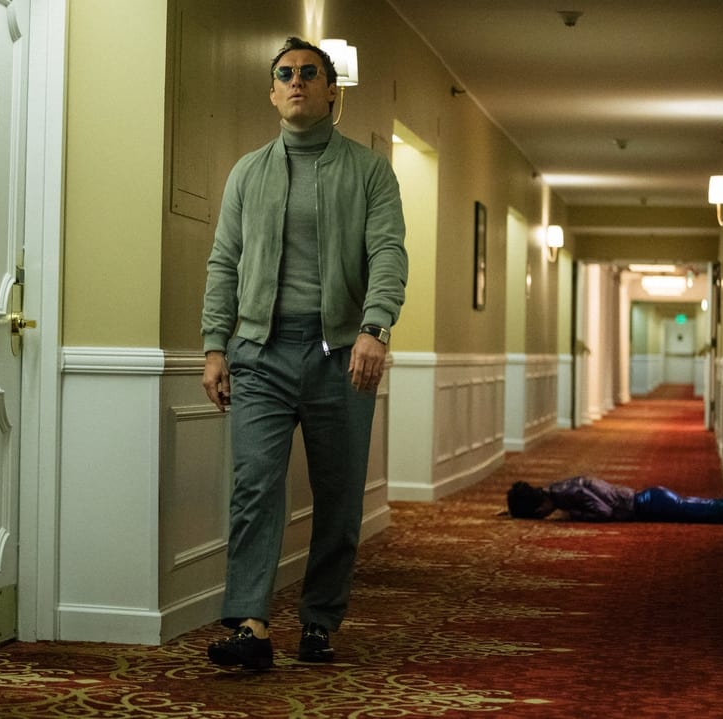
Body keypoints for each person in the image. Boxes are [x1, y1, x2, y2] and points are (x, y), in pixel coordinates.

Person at [199, 37, 407, 671]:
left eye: (309, 73)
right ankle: (251, 626)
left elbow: (388, 252)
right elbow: (224, 262)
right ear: (272, 92)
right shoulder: (247, 172)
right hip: (259, 352)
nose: (296, 81)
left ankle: (318, 621)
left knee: (338, 498)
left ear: (331, 91)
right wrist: (214, 345)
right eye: (285, 74)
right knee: (254, 488)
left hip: (340, 354)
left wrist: (375, 327)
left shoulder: (369, 171)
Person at [506, 476, 723, 524]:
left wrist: (572, 515)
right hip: (649, 499)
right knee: (692, 505)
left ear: (540, 506)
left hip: (646, 504)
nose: (545, 516)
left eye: (540, 514)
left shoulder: (569, 494)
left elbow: (604, 512)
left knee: (694, 511)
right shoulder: (558, 488)